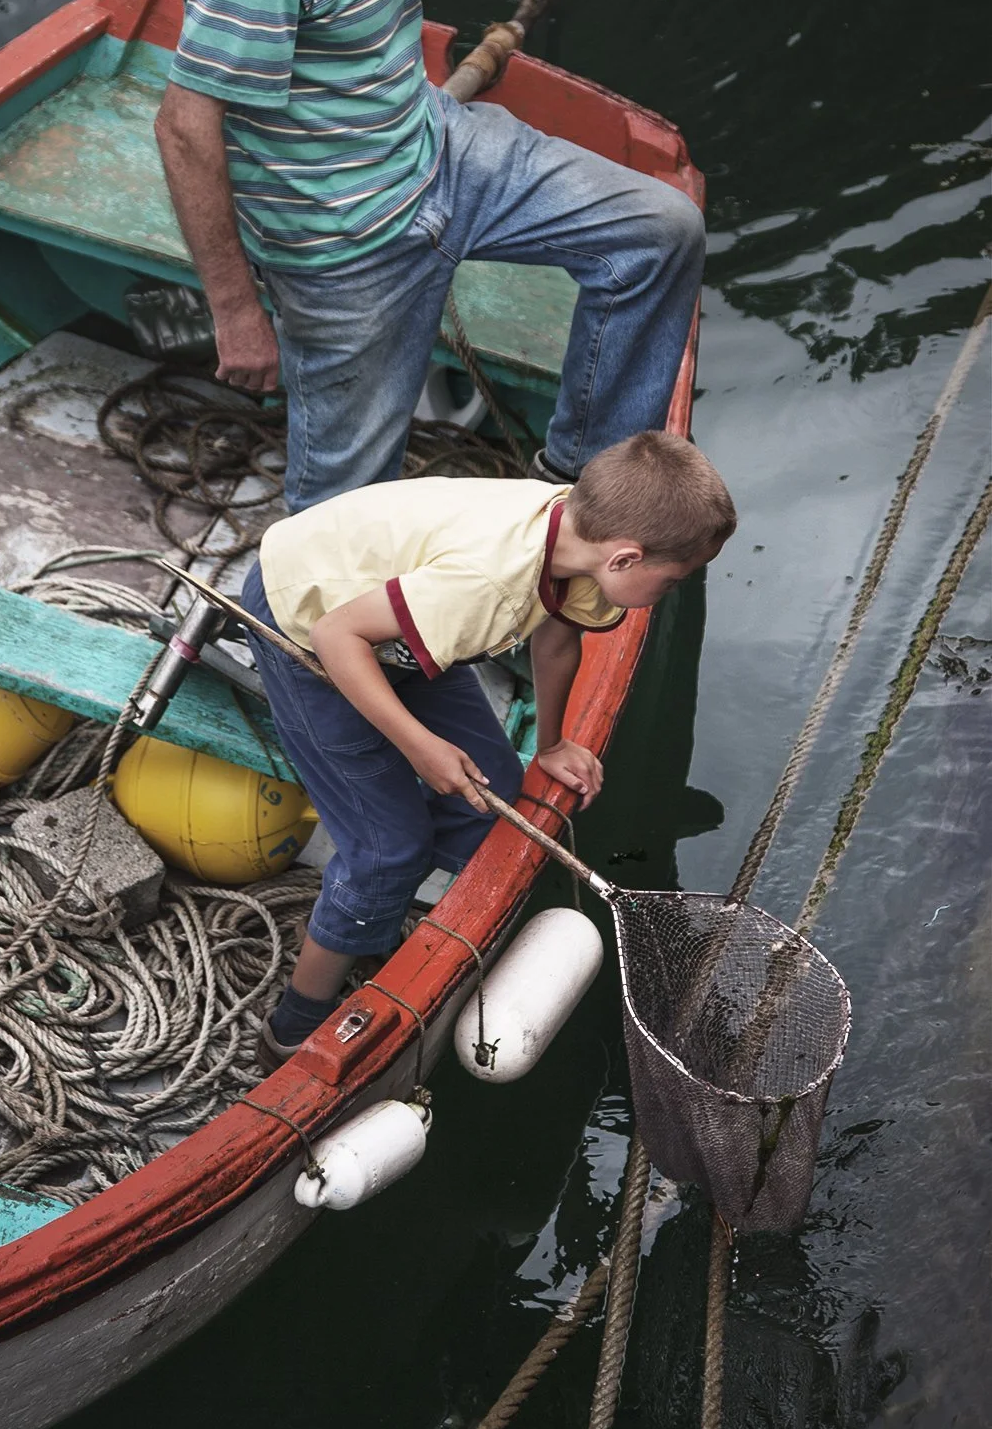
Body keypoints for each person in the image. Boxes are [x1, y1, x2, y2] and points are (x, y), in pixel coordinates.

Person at [155, 0, 706, 511]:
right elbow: (184, 127)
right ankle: (288, 640)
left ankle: (579, 488)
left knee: (659, 230)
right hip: (340, 237)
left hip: (430, 141)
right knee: (340, 511)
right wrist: (236, 313)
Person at [243, 430, 736, 1063]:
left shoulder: (576, 534)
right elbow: (338, 635)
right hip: (309, 619)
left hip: (398, 616)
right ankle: (292, 1025)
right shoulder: (488, 583)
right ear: (624, 558)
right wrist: (421, 747)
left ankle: (406, 915)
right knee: (385, 851)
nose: (667, 595)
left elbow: (559, 638)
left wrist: (552, 744)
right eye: (670, 582)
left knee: (496, 795)